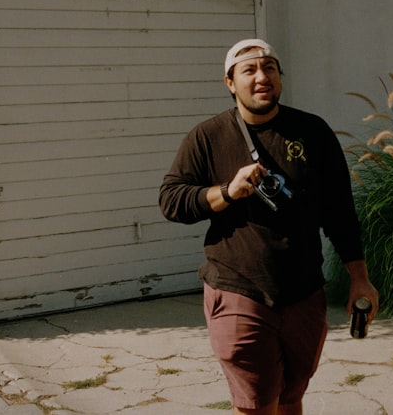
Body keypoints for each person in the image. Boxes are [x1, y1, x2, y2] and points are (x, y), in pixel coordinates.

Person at [159, 38, 379, 415]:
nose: (262, 77)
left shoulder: (312, 132)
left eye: (270, 68)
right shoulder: (207, 137)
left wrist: (359, 277)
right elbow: (172, 201)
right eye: (249, 70)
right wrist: (227, 191)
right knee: (257, 403)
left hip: (305, 293)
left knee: (291, 397)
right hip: (238, 289)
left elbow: (339, 212)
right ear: (230, 82)